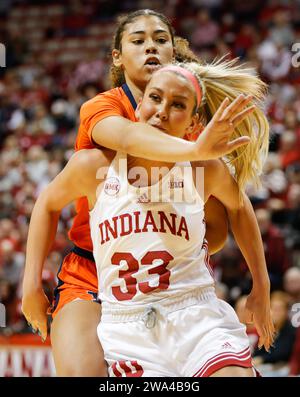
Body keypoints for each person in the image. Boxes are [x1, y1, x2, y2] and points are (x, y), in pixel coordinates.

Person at [21, 10, 269, 376]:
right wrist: (30, 285)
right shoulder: (105, 110)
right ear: (117, 57)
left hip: (168, 280)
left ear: (174, 52)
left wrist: (185, 247)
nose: (150, 46)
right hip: (92, 267)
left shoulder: (198, 140)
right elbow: (128, 137)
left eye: (160, 39)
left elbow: (226, 218)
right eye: (137, 40)